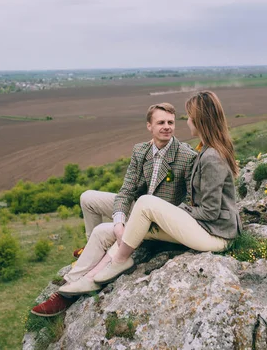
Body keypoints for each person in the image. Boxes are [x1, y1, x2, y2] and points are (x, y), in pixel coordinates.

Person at [31, 102, 197, 317]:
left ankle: (65, 294)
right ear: (149, 126)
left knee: (103, 233)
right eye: (161, 122)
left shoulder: (186, 156)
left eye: (170, 122)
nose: (166, 127)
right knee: (88, 198)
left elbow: (190, 202)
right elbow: (126, 191)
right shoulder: (140, 150)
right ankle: (91, 247)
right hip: (136, 208)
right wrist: (118, 221)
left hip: (157, 220)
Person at [89, 90, 242, 285]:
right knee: (124, 225)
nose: (186, 122)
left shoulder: (212, 157)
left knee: (145, 204)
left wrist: (175, 211)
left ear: (199, 120)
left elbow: (210, 211)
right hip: (209, 228)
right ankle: (95, 269)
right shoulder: (207, 150)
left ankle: (119, 261)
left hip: (218, 235)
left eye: (189, 117)